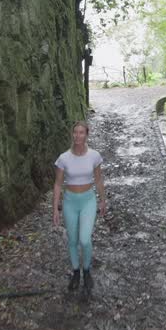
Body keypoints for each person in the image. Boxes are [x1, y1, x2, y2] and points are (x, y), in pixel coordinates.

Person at [53, 121, 107, 292]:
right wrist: (55, 208)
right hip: (69, 201)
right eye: (75, 132)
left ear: (86, 135)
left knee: (84, 239)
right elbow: (57, 184)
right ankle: (76, 272)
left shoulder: (94, 156)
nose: (78, 136)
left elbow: (98, 179)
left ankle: (87, 270)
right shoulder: (63, 158)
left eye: (81, 132)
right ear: (72, 134)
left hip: (88, 200)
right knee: (73, 240)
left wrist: (103, 200)